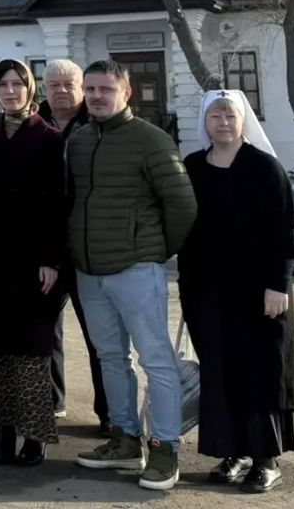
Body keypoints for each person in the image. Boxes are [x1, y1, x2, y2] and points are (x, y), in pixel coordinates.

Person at [68, 60, 196, 491]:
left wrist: (155, 250)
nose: (97, 95)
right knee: (110, 358)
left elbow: (182, 204)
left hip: (137, 268)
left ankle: (164, 448)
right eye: (91, 88)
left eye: (106, 88)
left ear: (126, 93)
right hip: (90, 270)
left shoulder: (151, 140)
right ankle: (123, 438)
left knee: (155, 360)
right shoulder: (81, 141)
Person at [180, 90, 294, 494]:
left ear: (243, 120)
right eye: (215, 116)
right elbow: (185, 229)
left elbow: (285, 231)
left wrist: (277, 285)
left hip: (259, 293)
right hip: (208, 293)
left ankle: (265, 459)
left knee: (259, 371)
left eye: (230, 115)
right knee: (220, 373)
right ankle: (233, 453)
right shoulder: (194, 167)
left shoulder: (265, 168)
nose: (223, 122)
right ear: (205, 122)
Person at [0, 60, 68, 468]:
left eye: (18, 84)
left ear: (31, 89)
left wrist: (50, 259)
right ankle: (0, 436)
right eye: (3, 85)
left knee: (31, 349)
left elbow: (57, 203)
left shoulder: (48, 137)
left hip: (33, 258)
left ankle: (34, 436)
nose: (11, 91)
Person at [38, 58, 107, 431]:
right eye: (54, 85)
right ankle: (51, 402)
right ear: (43, 88)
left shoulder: (98, 123)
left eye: (69, 84)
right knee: (45, 331)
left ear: (81, 87)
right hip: (46, 247)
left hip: (87, 244)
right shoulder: (34, 125)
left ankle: (110, 415)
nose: (61, 91)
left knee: (100, 335)